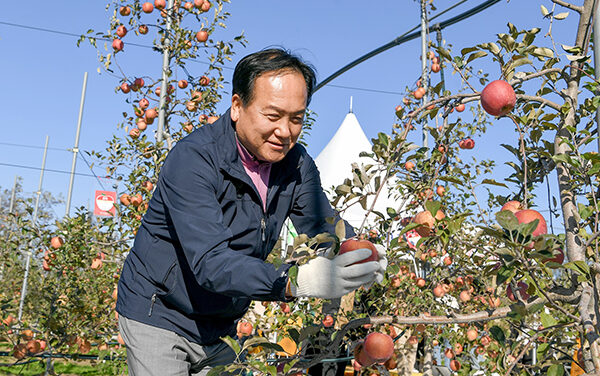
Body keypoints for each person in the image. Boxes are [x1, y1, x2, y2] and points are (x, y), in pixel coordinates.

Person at [116, 48, 387, 376]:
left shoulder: (296, 166)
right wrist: (293, 281)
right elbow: (211, 263)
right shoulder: (195, 160)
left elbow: (320, 225)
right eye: (273, 116)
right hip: (160, 312)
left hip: (222, 320)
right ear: (237, 107)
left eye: (297, 118)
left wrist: (357, 250)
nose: (285, 131)